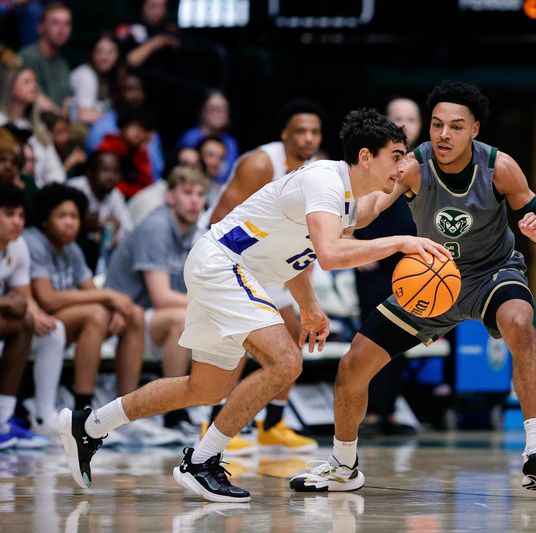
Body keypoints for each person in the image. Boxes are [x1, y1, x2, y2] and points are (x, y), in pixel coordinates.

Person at [58, 108, 449, 503]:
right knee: (286, 362)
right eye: (396, 156)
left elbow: (337, 230)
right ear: (366, 156)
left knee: (206, 388)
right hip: (224, 265)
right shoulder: (324, 181)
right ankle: (201, 460)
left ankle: (89, 425)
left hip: (230, 271)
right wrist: (402, 242)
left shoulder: (346, 197)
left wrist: (310, 305)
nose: (401, 166)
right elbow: (329, 253)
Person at [291, 81, 536, 493]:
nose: (443, 135)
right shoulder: (414, 165)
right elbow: (372, 210)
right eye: (437, 125)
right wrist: (336, 218)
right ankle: (344, 465)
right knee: (352, 365)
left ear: (474, 130)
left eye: (455, 126)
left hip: (492, 272)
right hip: (432, 276)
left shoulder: (499, 167)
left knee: (520, 322)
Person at [202, 99, 325, 455]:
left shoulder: (315, 171)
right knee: (242, 337)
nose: (308, 138)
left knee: (294, 331)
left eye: (314, 132)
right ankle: (215, 421)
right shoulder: (260, 163)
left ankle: (273, 423)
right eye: (301, 131)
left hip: (273, 261)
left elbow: (309, 239)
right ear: (285, 133)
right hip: (229, 255)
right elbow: (219, 219)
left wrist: (305, 293)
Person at [105, 166, 209, 438]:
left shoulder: (192, 231)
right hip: (120, 318)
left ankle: (195, 409)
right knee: (182, 320)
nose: (195, 200)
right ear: (170, 197)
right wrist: (209, 306)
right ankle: (174, 410)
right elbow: (162, 297)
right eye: (187, 193)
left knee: (202, 321)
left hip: (150, 317)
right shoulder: (156, 226)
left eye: (200, 194)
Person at [23, 184, 145, 416]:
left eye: (75, 216)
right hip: (41, 323)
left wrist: (116, 308)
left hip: (67, 321)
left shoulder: (72, 250)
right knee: (96, 314)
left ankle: (127, 408)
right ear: (44, 219)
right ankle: (83, 407)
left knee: (133, 314)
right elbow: (47, 299)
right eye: (62, 216)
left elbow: (90, 290)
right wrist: (108, 296)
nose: (70, 222)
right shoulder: (34, 242)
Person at [355, 97, 420, 436]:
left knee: (401, 337)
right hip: (370, 261)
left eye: (411, 118)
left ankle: (390, 410)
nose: (405, 124)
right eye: (398, 118)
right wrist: (356, 247)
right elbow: (359, 203)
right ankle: (368, 413)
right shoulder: (375, 161)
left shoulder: (422, 165)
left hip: (409, 264)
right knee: (371, 337)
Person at [0, 182, 51, 449]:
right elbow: (13, 301)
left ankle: (4, 419)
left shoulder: (17, 246)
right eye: (9, 214)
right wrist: (8, 303)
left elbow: (23, 298)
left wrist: (28, 310)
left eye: (21, 216)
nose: (17, 222)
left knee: (26, 323)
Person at [85, 71, 165, 181]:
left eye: (139, 89)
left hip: (144, 188)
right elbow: (97, 170)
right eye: (130, 90)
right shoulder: (103, 128)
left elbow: (157, 171)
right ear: (116, 95)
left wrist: (142, 150)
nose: (136, 95)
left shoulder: (149, 129)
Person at [0, 67, 66, 188]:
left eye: (35, 82)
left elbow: (55, 171)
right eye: (27, 82)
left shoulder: (40, 129)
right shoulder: (1, 121)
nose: (34, 87)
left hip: (38, 193)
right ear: (11, 87)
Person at [67, 150, 132, 272]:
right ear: (90, 172)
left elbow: (127, 229)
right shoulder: (74, 188)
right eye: (105, 170)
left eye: (115, 172)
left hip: (99, 256)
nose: (111, 176)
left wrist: (115, 231)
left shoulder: (115, 195)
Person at [17, 2, 72, 114]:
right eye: (55, 23)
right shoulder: (28, 57)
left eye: (67, 23)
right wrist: (61, 114)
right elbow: (37, 99)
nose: (62, 30)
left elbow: (67, 100)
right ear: (40, 27)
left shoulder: (62, 63)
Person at [176, 91, 238, 184]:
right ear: (203, 111)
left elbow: (231, 175)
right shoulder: (191, 137)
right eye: (213, 109)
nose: (218, 114)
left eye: (222, 110)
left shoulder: (231, 143)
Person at [95, 107, 155, 199]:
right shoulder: (108, 146)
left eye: (143, 129)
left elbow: (147, 185)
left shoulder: (138, 152)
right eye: (134, 126)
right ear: (123, 127)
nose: (138, 132)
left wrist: (142, 153)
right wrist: (137, 192)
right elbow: (107, 183)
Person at [70, 34, 120, 125]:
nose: (104, 57)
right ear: (92, 54)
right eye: (99, 51)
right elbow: (83, 116)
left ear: (117, 55)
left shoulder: (109, 77)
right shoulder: (86, 75)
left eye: (110, 52)